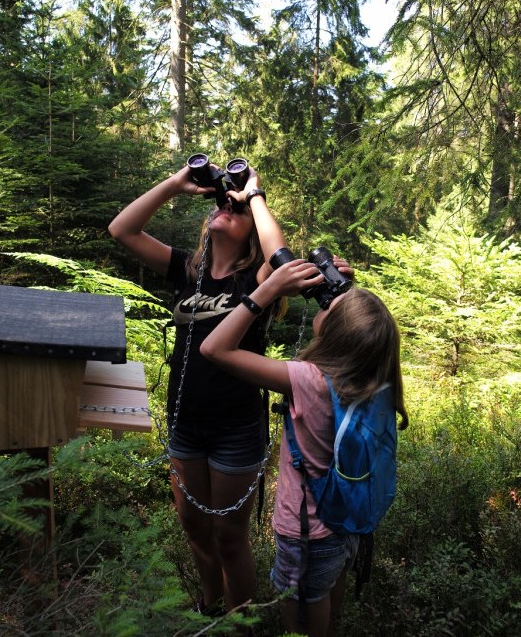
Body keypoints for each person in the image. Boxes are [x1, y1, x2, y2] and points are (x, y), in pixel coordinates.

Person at [108, 159, 287, 616]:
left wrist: (255, 196)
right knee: (195, 530)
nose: (226, 206)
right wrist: (173, 183)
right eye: (221, 203)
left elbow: (277, 256)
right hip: (185, 424)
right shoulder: (187, 271)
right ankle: (210, 609)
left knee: (229, 535)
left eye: (236, 209)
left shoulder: (258, 280)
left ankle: (240, 620)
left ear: (251, 229)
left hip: (236, 428)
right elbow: (122, 229)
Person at [199, 260, 409, 637]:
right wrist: (350, 300)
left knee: (301, 609)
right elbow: (362, 330)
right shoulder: (376, 374)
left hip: (306, 531)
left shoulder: (308, 379)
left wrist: (267, 290)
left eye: (330, 305)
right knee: (328, 589)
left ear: (335, 332)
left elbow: (214, 348)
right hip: (346, 522)